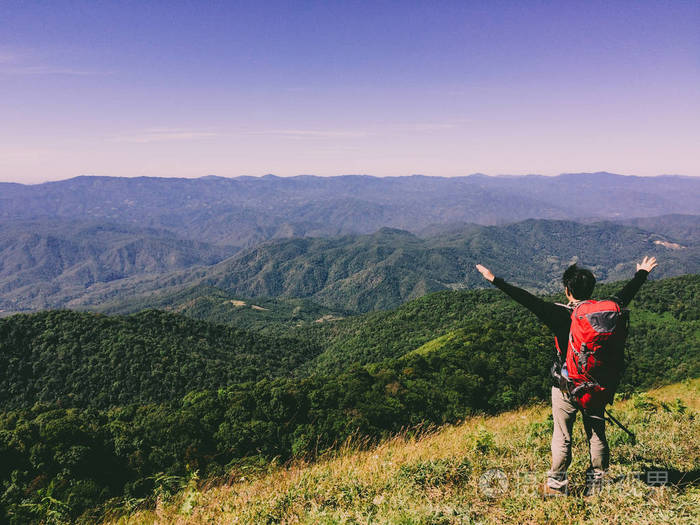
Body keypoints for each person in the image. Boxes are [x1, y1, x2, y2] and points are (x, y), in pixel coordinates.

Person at [475, 256, 658, 496]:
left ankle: (557, 486)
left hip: (565, 386)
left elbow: (526, 299)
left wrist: (494, 279)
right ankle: (597, 484)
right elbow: (627, 293)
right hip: (596, 385)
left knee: (562, 435)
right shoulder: (606, 313)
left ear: (567, 290)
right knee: (596, 433)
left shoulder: (558, 314)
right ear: (591, 289)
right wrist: (642, 273)